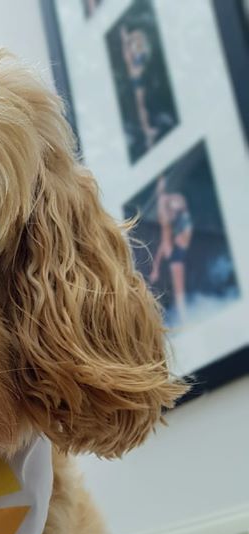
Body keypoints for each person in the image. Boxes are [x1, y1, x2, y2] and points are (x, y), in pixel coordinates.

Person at [149, 176, 193, 325]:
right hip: (175, 251)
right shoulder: (169, 224)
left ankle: (184, 316)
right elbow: (163, 245)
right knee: (179, 290)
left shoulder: (178, 217)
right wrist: (155, 269)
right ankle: (184, 317)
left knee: (179, 290)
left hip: (177, 249)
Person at [121, 25, 158, 153]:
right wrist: (126, 38)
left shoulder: (140, 50)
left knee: (142, 106)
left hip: (139, 78)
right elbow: (129, 59)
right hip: (137, 80)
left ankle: (147, 130)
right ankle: (147, 130)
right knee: (141, 106)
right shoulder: (135, 51)